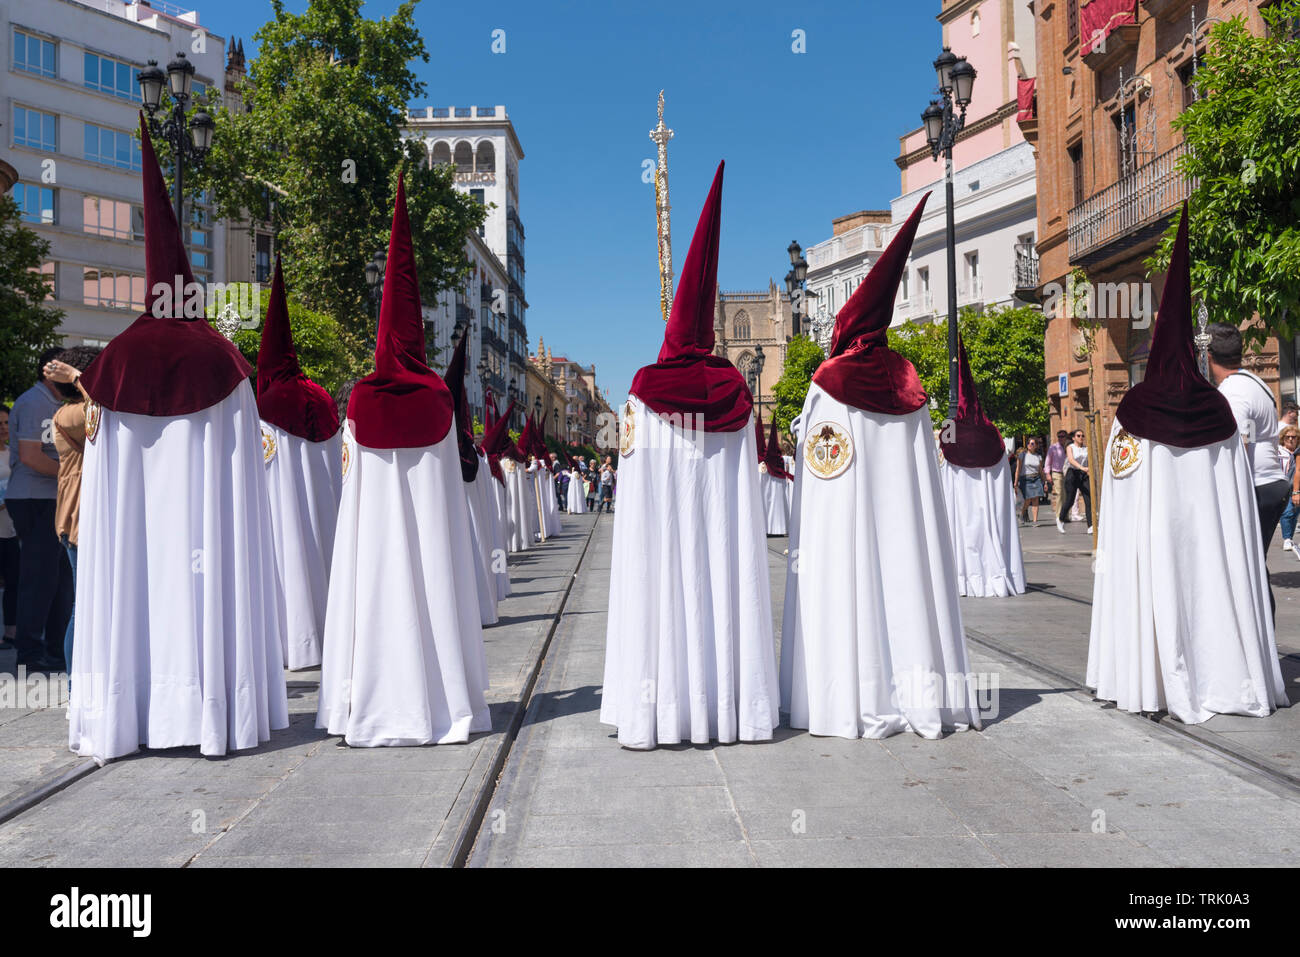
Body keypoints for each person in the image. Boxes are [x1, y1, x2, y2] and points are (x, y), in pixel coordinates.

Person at [70, 120, 287, 763]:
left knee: (129, 568)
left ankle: (126, 709)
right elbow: (246, 485)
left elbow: (103, 485)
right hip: (202, 541)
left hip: (138, 540)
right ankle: (208, 706)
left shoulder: (111, 363)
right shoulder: (222, 361)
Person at [782, 193, 982, 738]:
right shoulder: (908, 383)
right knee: (903, 570)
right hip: (900, 529)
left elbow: (820, 464)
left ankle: (849, 692)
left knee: (852, 581)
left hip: (844, 529)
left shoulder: (828, 384)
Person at [601, 160, 779, 749]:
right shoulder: (735, 390)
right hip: (717, 540)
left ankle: (660, 704)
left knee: (658, 576)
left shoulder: (643, 392)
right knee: (726, 575)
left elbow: (635, 513)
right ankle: (729, 701)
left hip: (663, 540)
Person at [1087, 205, 1287, 723]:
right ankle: (1225, 664)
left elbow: (1121, 497)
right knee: (1221, 572)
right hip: (1220, 522)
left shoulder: (1132, 412)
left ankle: (1150, 671)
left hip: (1154, 535)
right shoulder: (1218, 407)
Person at [317, 174, 489, 747]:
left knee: (371, 585)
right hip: (431, 537)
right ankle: (443, 698)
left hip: (373, 539)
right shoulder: (439, 396)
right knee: (438, 581)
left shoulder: (361, 398)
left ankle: (369, 700)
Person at [255, 257, 342, 670]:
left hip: (284, 502)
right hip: (327, 500)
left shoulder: (268, 402)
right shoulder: (322, 396)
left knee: (291, 550)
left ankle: (299, 640)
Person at [1208, 322, 1290, 616]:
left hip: (1256, 487)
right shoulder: (1256, 383)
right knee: (1252, 565)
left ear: (1208, 355)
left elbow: (1239, 448)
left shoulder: (1233, 392)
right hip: (1270, 485)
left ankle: (1258, 641)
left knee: (1244, 567)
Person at [939, 336, 1026, 598]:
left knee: (964, 528)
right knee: (989, 524)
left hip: (960, 495)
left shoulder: (949, 427)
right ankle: (999, 573)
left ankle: (964, 576)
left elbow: (940, 461)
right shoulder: (990, 430)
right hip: (987, 491)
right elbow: (1003, 459)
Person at [7, 346, 73, 672]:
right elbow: (32, 457)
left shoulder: (56, 404)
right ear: (51, 370)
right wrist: (74, 474)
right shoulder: (34, 403)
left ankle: (56, 650)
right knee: (39, 577)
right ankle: (30, 653)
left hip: (52, 497)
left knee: (60, 579)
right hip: (35, 498)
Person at [41, 346, 102, 681]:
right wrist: (79, 378)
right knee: (84, 608)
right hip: (81, 521)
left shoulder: (74, 409)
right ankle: (76, 692)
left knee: (88, 606)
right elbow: (106, 407)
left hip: (79, 519)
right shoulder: (73, 414)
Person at [0, 404, 16, 649]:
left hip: (11, 528)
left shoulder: (14, 452)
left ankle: (10, 636)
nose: (3, 428)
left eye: (6, 423)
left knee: (14, 581)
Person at [1056, 428, 1092, 534]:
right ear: (1073, 438)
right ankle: (1061, 518)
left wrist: (1088, 469)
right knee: (1070, 500)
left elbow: (1090, 460)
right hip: (1072, 473)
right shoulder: (1070, 447)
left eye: (1082, 436)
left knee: (1088, 499)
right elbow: (1071, 460)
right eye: (1078, 436)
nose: (1081, 438)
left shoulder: (1086, 448)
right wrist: (1082, 468)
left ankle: (1091, 526)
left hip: (1084, 475)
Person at [1279, 425, 1300, 557]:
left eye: (1294, 437)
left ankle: (1289, 538)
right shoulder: (1279, 452)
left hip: (1296, 486)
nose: (1291, 439)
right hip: (1285, 486)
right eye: (1288, 437)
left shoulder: (1297, 452)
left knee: (1294, 512)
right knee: (1287, 512)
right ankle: (1287, 538)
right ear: (1283, 438)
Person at [1015, 436, 1045, 525]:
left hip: (1036, 478)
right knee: (1027, 500)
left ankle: (1035, 521)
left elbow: (1040, 470)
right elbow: (1018, 469)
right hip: (1026, 479)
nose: (1030, 445)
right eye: (1029, 443)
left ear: (1036, 445)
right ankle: (1021, 514)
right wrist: (1015, 482)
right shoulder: (1022, 455)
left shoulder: (1038, 457)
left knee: (1036, 499)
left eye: (1032, 443)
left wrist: (1045, 481)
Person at [1044, 429, 1067, 519]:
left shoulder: (1069, 447)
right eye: (1059, 437)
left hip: (1067, 473)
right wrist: (1047, 474)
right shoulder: (1053, 448)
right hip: (1057, 473)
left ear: (1066, 437)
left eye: (1062, 436)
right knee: (1059, 494)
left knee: (1067, 494)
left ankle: (1066, 515)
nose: (1060, 438)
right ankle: (1059, 516)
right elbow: (1047, 462)